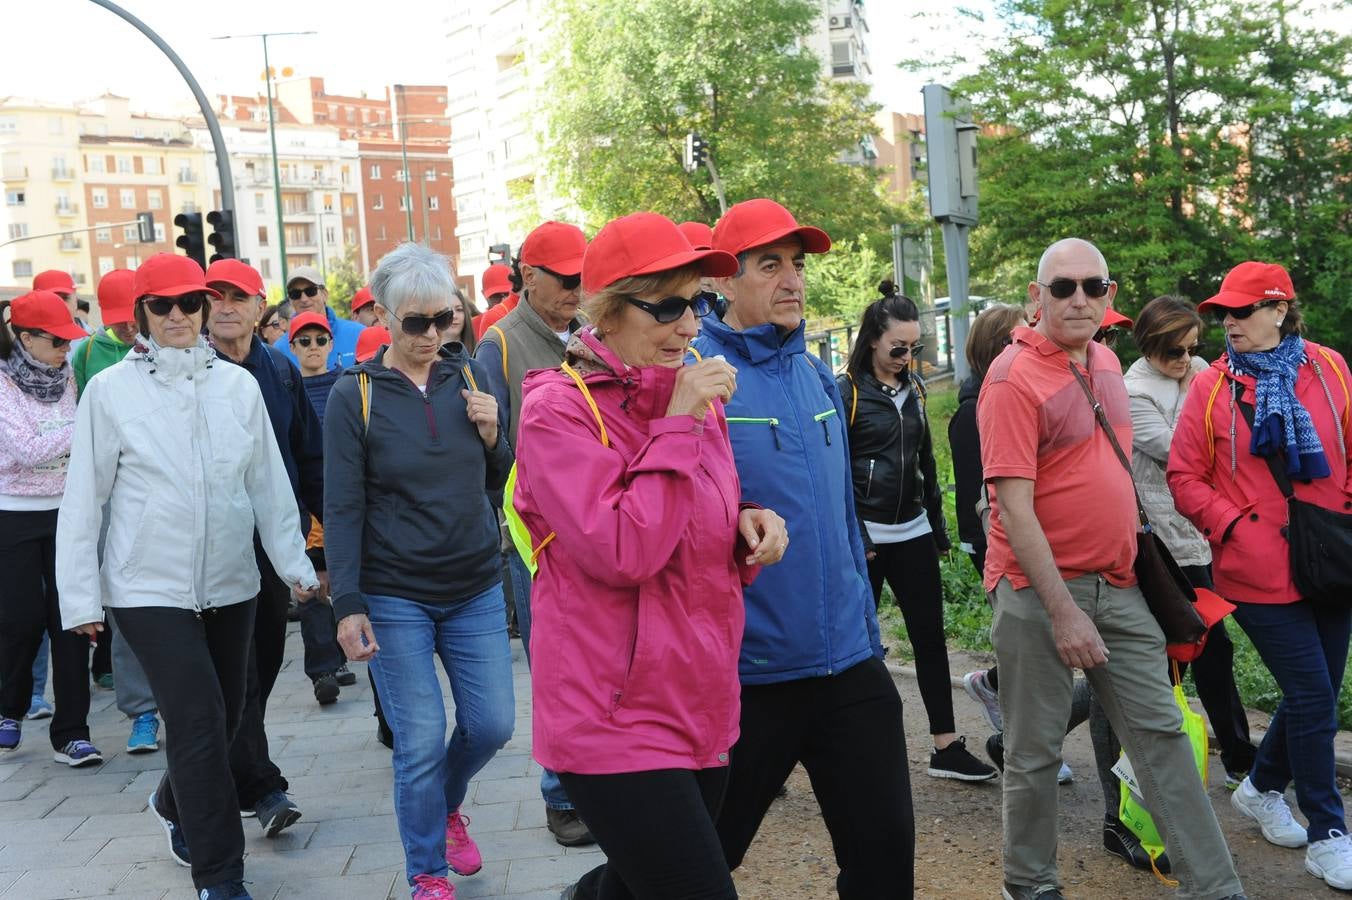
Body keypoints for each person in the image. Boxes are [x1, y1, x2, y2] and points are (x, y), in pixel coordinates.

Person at [515, 211, 787, 900]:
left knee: (639, 886)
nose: (690, 326)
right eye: (666, 306)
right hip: (609, 716)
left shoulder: (693, 397)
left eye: (696, 303)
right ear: (605, 311)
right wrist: (676, 424)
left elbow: (693, 532)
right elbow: (624, 551)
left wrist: (750, 527)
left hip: (701, 700)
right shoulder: (557, 410)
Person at [980, 237, 1245, 900]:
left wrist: (1130, 563)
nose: (1078, 298)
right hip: (1038, 593)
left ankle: (1217, 890)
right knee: (1036, 752)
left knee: (1163, 740)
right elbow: (1013, 508)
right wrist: (1064, 611)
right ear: (1037, 298)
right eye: (1062, 287)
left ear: (1109, 297)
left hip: (1119, 584)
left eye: (1091, 287)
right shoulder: (1012, 379)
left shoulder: (1103, 361)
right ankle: (1031, 885)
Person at [57, 253, 318, 900]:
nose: (178, 316)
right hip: (147, 587)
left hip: (232, 581)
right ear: (142, 314)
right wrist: (80, 597)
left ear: (202, 309)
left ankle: (176, 802)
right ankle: (221, 877)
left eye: (188, 303)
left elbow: (268, 485)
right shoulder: (112, 391)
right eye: (162, 305)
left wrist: (295, 565)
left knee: (227, 717)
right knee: (198, 720)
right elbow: (84, 497)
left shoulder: (239, 387)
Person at [694, 198, 914, 898]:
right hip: (751, 677)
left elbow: (843, 515)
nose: (792, 280)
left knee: (884, 862)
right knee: (696, 865)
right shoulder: (695, 377)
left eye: (797, 264)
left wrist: (866, 630)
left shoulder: (818, 375)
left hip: (848, 663)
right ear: (727, 280)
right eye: (770, 266)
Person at [327, 242, 516, 900]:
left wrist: (497, 437)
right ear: (383, 315)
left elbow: (498, 480)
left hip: (474, 586)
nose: (433, 335)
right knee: (420, 740)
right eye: (416, 323)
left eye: (446, 319)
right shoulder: (355, 397)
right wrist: (346, 603)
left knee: (493, 724)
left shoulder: (468, 378)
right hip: (394, 592)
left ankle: (445, 804)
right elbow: (343, 504)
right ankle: (427, 873)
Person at [1169, 261, 1352, 891]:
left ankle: (1261, 786)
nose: (1228, 322)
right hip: (1258, 569)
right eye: (1223, 312)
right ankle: (1329, 832)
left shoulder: (1329, 369)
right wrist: (1233, 526)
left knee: (1318, 694)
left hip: (1332, 559)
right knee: (1310, 697)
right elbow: (1184, 476)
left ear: (1280, 310)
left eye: (1242, 311)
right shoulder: (1211, 386)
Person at [203, 258, 342, 840]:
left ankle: (225, 773)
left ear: (262, 309)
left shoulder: (279, 371)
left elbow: (309, 457)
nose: (227, 306)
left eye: (240, 296)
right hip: (211, 547)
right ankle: (261, 785)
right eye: (216, 297)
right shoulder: (192, 372)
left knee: (261, 660)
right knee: (237, 673)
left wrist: (327, 544)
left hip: (274, 542)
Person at [840, 287, 996, 782]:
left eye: (915, 349)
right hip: (867, 536)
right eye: (898, 349)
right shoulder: (847, 391)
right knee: (860, 646)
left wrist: (938, 527)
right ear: (872, 344)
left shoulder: (916, 389)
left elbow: (925, 461)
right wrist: (857, 535)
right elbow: (836, 470)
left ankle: (945, 746)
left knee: (929, 638)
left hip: (913, 530)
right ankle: (851, 747)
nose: (908, 359)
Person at [475, 220, 595, 847]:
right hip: (535, 539)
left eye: (584, 277)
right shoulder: (496, 346)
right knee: (552, 662)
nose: (578, 289)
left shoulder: (596, 335)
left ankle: (604, 785)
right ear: (528, 277)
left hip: (600, 524)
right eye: (567, 279)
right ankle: (560, 795)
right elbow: (490, 455)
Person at [1126, 295, 1255, 787]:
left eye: (1190, 348)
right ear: (1150, 347)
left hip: (1203, 530)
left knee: (1210, 647)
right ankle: (1208, 759)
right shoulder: (1133, 390)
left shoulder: (1200, 368)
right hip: (1163, 539)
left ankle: (1236, 756)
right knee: (1186, 646)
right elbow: (1180, 451)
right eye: (1173, 352)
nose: (1184, 360)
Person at [0, 290, 99, 765]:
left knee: (74, 620)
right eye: (57, 340)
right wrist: (80, 427)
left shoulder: (68, 378)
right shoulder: (2, 383)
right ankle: (9, 710)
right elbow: (25, 450)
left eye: (68, 340)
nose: (66, 349)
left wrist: (59, 438)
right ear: (24, 337)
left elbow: (63, 447)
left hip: (67, 510)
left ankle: (72, 732)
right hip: (12, 515)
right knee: (20, 620)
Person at [71, 268, 164, 755]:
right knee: (127, 610)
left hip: (174, 509)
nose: (128, 330)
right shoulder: (88, 355)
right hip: (115, 503)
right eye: (120, 322)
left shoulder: (189, 355)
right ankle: (141, 713)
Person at [278, 266, 363, 368]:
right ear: (290, 300)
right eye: (295, 294)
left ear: (325, 294)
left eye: (310, 291)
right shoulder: (280, 350)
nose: (304, 299)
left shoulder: (358, 334)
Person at [33, 270, 92, 334]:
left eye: (65, 298)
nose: (60, 305)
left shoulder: (93, 340)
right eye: (51, 299)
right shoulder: (26, 340)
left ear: (75, 301)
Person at [471, 263, 517, 340]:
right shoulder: (472, 327)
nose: (503, 300)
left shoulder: (528, 319)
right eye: (496, 296)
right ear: (483, 294)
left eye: (507, 294)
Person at [448, 289, 478, 355]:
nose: (454, 316)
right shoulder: (427, 358)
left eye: (459, 309)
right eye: (448, 310)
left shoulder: (479, 352)